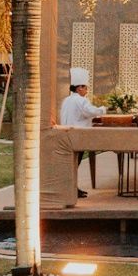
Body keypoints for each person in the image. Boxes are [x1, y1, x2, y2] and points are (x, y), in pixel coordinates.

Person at [59, 67, 105, 198]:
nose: (87, 90)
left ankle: (72, 188)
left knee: (71, 164)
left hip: (66, 135)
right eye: (85, 88)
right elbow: (91, 111)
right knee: (74, 164)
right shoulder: (80, 100)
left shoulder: (66, 100)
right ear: (79, 88)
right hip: (77, 136)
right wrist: (104, 109)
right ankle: (71, 189)